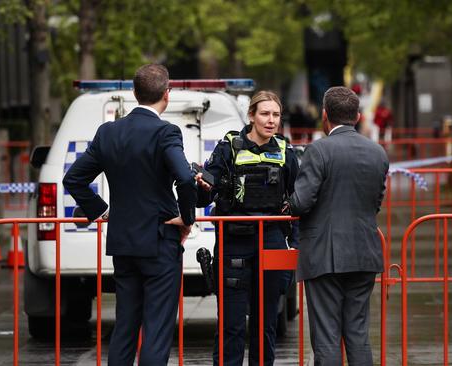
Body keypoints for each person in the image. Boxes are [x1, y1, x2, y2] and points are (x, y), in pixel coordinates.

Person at [63, 63, 196, 365]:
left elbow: (73, 179)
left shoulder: (108, 132)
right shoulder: (166, 132)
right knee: (156, 330)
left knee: (124, 327)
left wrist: (100, 210)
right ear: (167, 94)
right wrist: (188, 217)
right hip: (160, 241)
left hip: (123, 242)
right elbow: (186, 179)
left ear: (135, 93)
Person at [195, 90, 299, 366]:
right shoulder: (229, 147)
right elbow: (203, 196)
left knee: (266, 326)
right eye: (265, 114)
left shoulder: (286, 151)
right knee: (232, 326)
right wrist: (203, 187)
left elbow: (298, 200)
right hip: (235, 243)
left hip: (273, 242)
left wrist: (297, 245)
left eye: (276, 114)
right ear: (251, 115)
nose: (271, 120)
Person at [287, 86, 389, 365]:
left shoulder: (318, 150)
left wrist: (289, 202)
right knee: (358, 335)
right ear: (357, 115)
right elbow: (376, 201)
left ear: (324, 116)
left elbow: (302, 202)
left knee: (327, 337)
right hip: (365, 252)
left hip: (324, 255)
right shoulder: (377, 152)